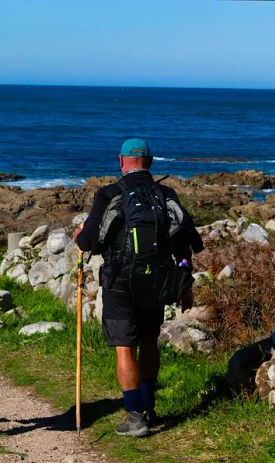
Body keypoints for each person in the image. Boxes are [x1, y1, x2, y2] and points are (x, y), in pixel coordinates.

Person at [73, 138, 203, 437]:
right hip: (156, 280)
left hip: (119, 281)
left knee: (124, 347)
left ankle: (135, 416)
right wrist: (185, 285)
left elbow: (89, 242)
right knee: (149, 342)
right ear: (151, 161)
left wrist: (79, 234)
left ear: (121, 161)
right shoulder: (166, 193)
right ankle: (148, 406)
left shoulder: (108, 194)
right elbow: (185, 245)